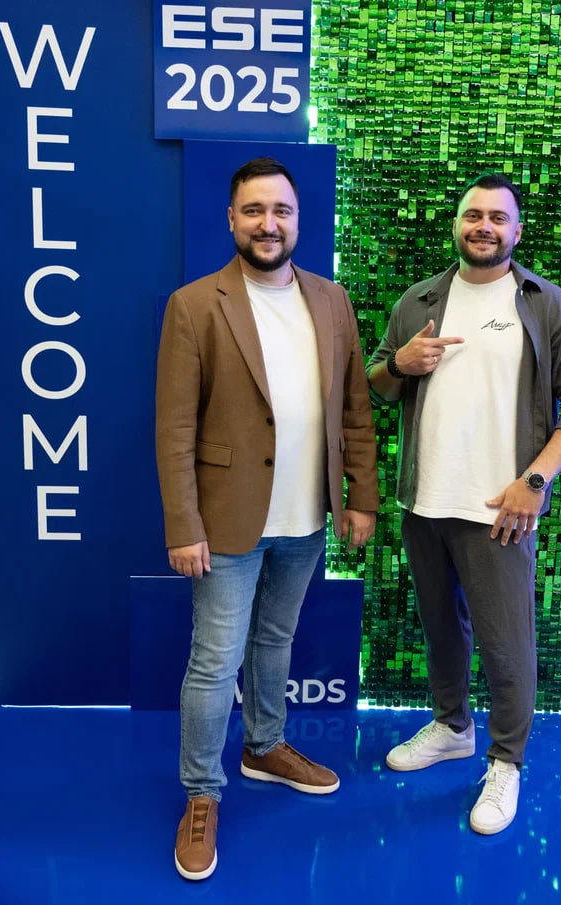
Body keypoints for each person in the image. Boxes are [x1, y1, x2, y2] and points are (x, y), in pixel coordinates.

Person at [156, 157, 379, 879]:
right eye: (253, 210)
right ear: (231, 219)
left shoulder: (332, 300)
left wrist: (361, 496)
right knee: (215, 660)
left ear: (297, 219)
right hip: (224, 521)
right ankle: (201, 792)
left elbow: (354, 409)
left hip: (305, 516)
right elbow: (174, 429)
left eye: (280, 210)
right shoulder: (195, 304)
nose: (268, 223)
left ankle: (264, 746)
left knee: (275, 639)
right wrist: (184, 524)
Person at [367, 172, 561, 835]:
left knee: (506, 647)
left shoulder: (549, 306)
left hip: (501, 509)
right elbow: (376, 385)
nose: (484, 226)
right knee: (441, 630)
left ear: (516, 231)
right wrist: (400, 364)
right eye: (473, 215)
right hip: (425, 503)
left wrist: (534, 479)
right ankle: (452, 728)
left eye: (498, 218)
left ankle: (506, 761)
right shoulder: (417, 301)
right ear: (456, 224)